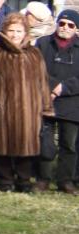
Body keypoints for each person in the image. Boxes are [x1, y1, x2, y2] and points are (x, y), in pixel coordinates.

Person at [0, 12, 53, 192]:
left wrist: (46, 106)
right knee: (2, 145)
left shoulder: (34, 54)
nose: (15, 34)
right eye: (11, 30)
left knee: (27, 145)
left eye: (19, 30)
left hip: (30, 109)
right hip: (3, 107)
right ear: (4, 31)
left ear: (25, 33)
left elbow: (43, 82)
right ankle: (4, 180)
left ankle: (24, 180)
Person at [37, 10, 79, 192]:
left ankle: (65, 180)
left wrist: (64, 88)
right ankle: (42, 179)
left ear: (76, 28)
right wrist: (53, 86)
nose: (65, 28)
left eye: (70, 25)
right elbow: (36, 68)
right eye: (62, 23)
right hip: (46, 99)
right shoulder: (43, 43)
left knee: (68, 144)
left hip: (72, 103)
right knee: (45, 142)